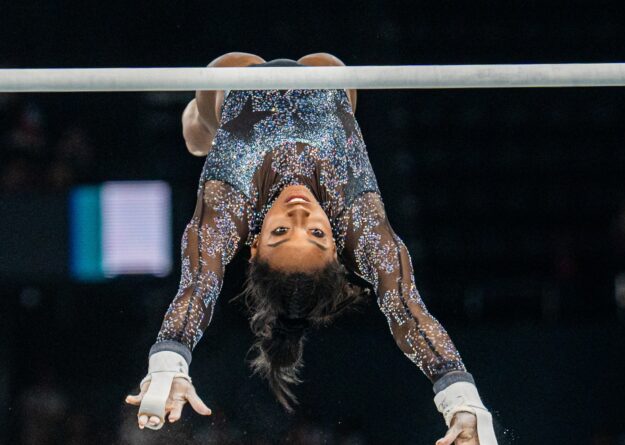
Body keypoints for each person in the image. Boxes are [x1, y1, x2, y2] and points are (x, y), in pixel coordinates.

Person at [124, 52, 497, 445]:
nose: (299, 212)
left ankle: (197, 131)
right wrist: (460, 398)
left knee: (200, 129)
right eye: (317, 233)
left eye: (281, 231)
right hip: (328, 81)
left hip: (235, 83)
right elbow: (404, 304)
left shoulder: (230, 203)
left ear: (252, 246)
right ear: (337, 245)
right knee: (326, 66)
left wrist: (170, 361)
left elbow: (199, 283)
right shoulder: (360, 219)